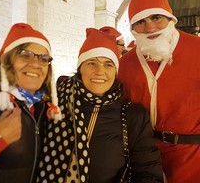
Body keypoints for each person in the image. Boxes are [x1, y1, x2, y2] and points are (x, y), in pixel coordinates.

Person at [39, 28, 163, 183]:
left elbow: (148, 173)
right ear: (80, 69)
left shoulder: (133, 116)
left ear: (116, 71)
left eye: (108, 65)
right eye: (91, 63)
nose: (100, 71)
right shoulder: (54, 105)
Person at [118, 0, 200, 183]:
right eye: (141, 22)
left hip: (193, 158)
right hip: (144, 158)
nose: (150, 28)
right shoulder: (125, 63)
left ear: (170, 18)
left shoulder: (197, 50)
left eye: (156, 17)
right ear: (133, 28)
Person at [0, 23, 61, 183]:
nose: (35, 64)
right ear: (7, 61)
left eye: (44, 59)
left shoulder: (42, 107)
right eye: (25, 55)